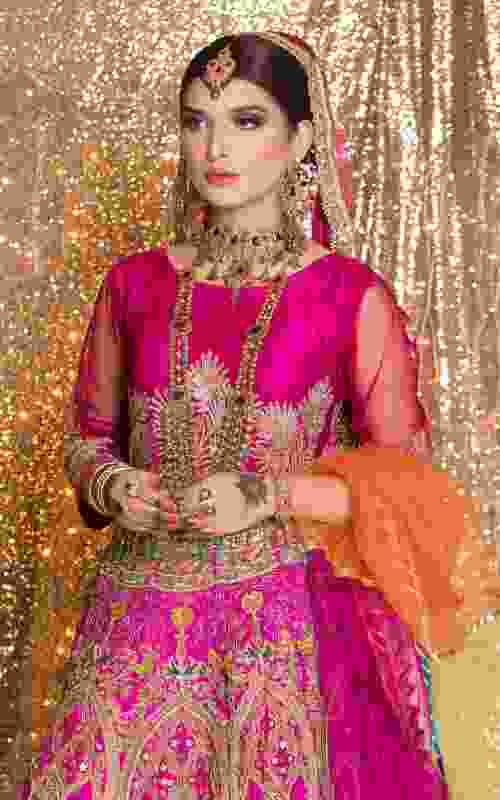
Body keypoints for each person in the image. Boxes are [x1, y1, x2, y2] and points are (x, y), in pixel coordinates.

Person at [26, 31, 499, 800]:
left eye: (247, 121)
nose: (215, 148)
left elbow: (403, 488)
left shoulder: (350, 296)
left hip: (296, 626)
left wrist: (264, 496)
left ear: (302, 139)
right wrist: (113, 486)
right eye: (196, 121)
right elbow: (89, 439)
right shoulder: (133, 286)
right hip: (137, 625)